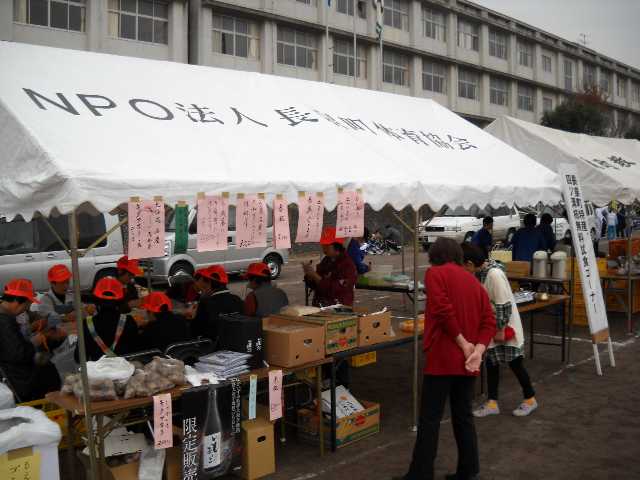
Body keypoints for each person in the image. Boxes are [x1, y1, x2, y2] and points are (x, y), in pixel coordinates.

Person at [399, 238, 496, 480]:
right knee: (463, 415)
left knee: (430, 419)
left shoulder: (436, 273)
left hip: (444, 358)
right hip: (469, 362)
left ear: (435, 255)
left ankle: (420, 474)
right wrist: (478, 350)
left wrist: (463, 343)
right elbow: (489, 321)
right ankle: (468, 470)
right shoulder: (474, 282)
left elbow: (442, 310)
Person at [461, 244, 538, 418]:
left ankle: (530, 399)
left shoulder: (494, 274)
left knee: (515, 363)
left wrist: (498, 330)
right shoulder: (481, 274)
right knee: (491, 364)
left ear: (470, 263)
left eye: (462, 265)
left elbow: (503, 305)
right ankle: (492, 402)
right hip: (492, 327)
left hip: (504, 327)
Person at [0, 279, 60, 402]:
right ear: (17, 301)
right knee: (50, 372)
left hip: (14, 372)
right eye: (26, 305)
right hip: (17, 380)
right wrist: (34, 342)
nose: (25, 309)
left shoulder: (6, 317)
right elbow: (18, 355)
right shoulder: (4, 322)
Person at [74, 277, 141, 362]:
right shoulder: (129, 321)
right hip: (125, 373)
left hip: (98, 373)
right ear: (120, 301)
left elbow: (78, 358)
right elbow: (137, 351)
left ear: (96, 300)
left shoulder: (86, 324)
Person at [303, 227, 357, 307]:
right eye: (323, 245)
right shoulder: (326, 260)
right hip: (321, 305)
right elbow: (316, 285)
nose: (323, 248)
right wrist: (309, 276)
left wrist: (314, 275)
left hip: (339, 308)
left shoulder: (348, 265)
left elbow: (335, 289)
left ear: (337, 246)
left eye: (327, 246)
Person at [189, 265, 243, 343]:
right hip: (237, 343)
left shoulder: (206, 303)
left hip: (212, 347)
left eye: (204, 283)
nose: (203, 286)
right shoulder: (237, 300)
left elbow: (195, 330)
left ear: (209, 283)